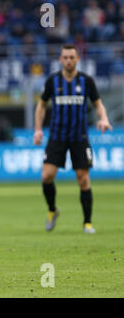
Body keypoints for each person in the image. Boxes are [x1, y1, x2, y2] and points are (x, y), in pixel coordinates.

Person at [33, 44, 113, 234]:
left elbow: (98, 104)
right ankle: (52, 210)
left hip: (79, 136)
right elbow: (41, 106)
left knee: (83, 179)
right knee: (47, 176)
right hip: (57, 136)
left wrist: (104, 118)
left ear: (77, 59)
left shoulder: (87, 81)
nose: (69, 60)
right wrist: (37, 129)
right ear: (61, 60)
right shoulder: (53, 81)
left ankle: (87, 223)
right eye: (65, 57)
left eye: (72, 57)